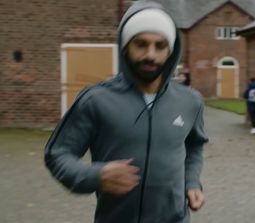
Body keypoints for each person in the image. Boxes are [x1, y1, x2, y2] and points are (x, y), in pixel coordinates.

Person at [44, 2, 208, 223]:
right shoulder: (96, 100)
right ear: (125, 46)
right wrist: (95, 175)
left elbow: (194, 145)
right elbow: (58, 154)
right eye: (141, 44)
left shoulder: (190, 101)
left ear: (170, 51)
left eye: (160, 46)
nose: (150, 54)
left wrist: (191, 182)